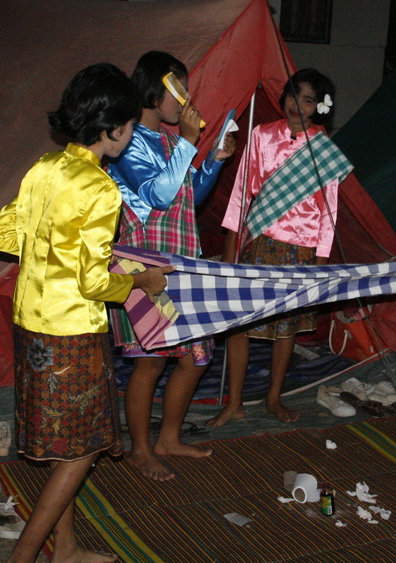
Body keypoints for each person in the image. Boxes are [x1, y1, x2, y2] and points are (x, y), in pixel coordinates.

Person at [0, 63, 172, 563]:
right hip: (72, 333)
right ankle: (21, 558)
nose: (130, 135)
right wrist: (142, 281)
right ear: (112, 128)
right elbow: (93, 284)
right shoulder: (100, 188)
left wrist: (54, 251)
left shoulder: (44, 167)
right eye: (129, 126)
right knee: (84, 449)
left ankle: (65, 549)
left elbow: (2, 236)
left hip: (31, 322)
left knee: (63, 445)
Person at [107, 51, 235, 482]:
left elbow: (189, 197)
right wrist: (188, 141)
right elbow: (159, 196)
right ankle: (140, 450)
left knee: (197, 356)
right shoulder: (128, 141)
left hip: (182, 259)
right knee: (151, 362)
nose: (186, 100)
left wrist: (213, 159)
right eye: (178, 90)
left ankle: (168, 438)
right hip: (146, 264)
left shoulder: (168, 139)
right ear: (153, 89)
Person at [208, 68, 349, 427]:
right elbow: (241, 193)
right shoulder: (261, 134)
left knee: (286, 328)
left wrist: (320, 261)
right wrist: (231, 248)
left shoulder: (323, 150)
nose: (296, 105)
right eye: (293, 95)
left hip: (300, 250)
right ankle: (235, 402)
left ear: (320, 107)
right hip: (258, 241)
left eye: (308, 100)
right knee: (238, 323)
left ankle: (273, 398)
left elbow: (328, 210)